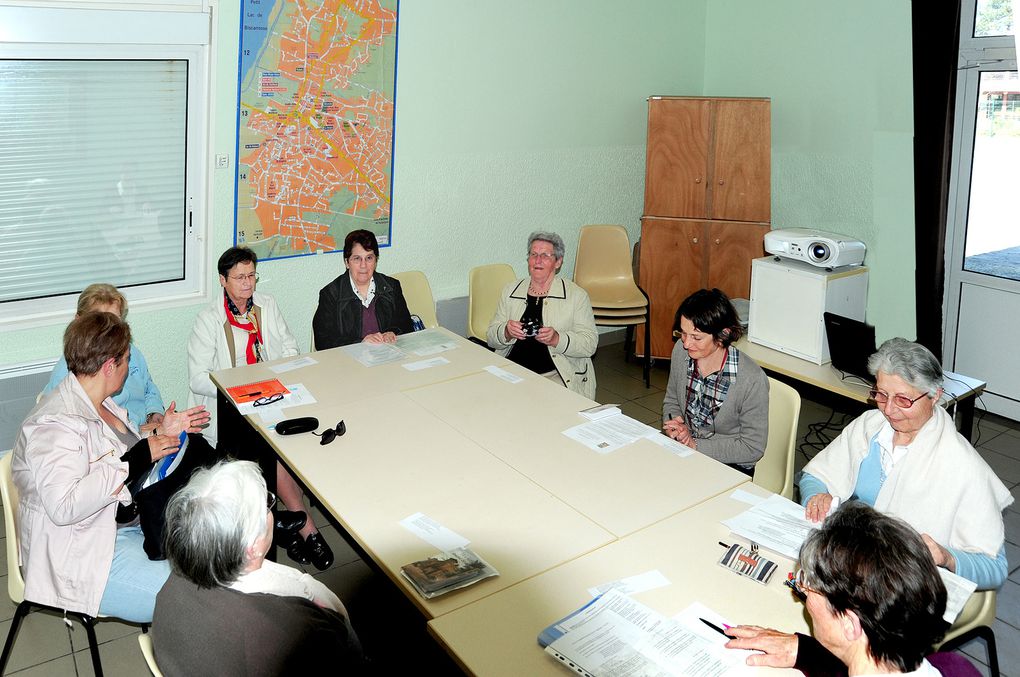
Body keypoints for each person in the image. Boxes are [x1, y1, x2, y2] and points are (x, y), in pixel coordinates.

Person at [11, 311, 208, 623]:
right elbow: (64, 506)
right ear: (108, 366)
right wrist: (139, 458)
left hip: (117, 525)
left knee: (207, 564)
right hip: (79, 552)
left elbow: (118, 450)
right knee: (194, 595)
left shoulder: (100, 403)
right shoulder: (53, 425)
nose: (130, 368)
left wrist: (160, 432)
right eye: (126, 359)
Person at [799, 338, 1011, 589]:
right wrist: (817, 497)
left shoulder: (962, 465)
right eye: (881, 394)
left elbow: (995, 568)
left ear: (935, 396)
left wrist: (946, 557)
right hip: (858, 559)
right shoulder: (870, 426)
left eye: (903, 399)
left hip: (911, 584)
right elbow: (815, 476)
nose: (888, 409)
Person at [188, 246, 334, 570]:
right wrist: (241, 385)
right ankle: (305, 527)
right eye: (239, 277)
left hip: (270, 396)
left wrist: (273, 376)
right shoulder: (208, 320)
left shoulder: (266, 306)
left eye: (252, 275)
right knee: (267, 444)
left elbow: (290, 347)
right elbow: (198, 379)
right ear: (222, 280)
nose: (248, 284)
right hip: (228, 408)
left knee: (295, 434)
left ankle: (286, 528)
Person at [154, 460, 363, 676]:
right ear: (252, 548)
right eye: (267, 505)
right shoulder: (292, 629)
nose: (270, 508)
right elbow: (349, 655)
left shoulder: (171, 586)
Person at [724, 503, 978, 676]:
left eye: (810, 585)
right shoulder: (954, 667)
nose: (803, 590)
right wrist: (806, 652)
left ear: (849, 624)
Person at [661, 288, 769, 474]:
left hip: (729, 464)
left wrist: (696, 445)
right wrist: (674, 423)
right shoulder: (681, 351)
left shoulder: (751, 379)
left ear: (723, 335)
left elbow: (752, 448)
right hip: (687, 451)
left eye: (696, 337)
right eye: (683, 333)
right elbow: (672, 400)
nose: (686, 343)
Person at [486, 231, 598, 399]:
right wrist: (506, 332)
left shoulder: (576, 296)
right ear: (528, 259)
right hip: (512, 371)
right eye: (533, 254)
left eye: (545, 255)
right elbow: (490, 338)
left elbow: (589, 344)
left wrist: (557, 339)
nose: (537, 260)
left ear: (558, 262)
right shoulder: (511, 290)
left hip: (554, 375)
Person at [43, 283, 164, 432]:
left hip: (144, 427)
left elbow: (148, 387)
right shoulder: (68, 371)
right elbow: (83, 427)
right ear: (79, 322)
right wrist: (137, 431)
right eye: (102, 322)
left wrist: (154, 412)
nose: (111, 331)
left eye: (116, 321)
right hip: (118, 439)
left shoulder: (132, 353)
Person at [312, 229, 414, 349]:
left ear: (375, 261)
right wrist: (360, 342)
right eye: (357, 258)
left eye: (369, 258)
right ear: (346, 262)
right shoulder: (330, 294)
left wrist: (393, 333)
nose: (363, 265)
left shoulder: (392, 287)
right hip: (349, 362)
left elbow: (407, 327)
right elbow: (323, 341)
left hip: (388, 357)